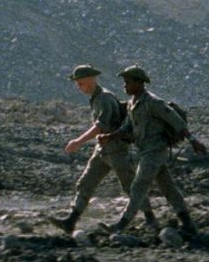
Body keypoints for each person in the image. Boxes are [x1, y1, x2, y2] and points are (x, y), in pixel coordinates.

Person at [50, 65, 158, 234]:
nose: (79, 87)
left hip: (117, 151)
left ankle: (150, 219)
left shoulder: (104, 98)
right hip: (102, 151)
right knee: (86, 183)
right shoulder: (96, 98)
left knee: (131, 186)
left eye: (81, 83)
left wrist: (78, 141)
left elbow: (100, 126)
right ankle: (71, 220)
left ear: (91, 80)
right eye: (78, 84)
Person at [100, 65, 203, 239]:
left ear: (139, 83)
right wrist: (109, 137)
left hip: (155, 152)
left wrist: (193, 141)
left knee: (138, 187)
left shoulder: (153, 103)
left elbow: (177, 121)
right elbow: (127, 127)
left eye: (128, 82)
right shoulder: (133, 103)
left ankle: (121, 225)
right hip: (147, 152)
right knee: (168, 188)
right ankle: (188, 224)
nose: (124, 86)